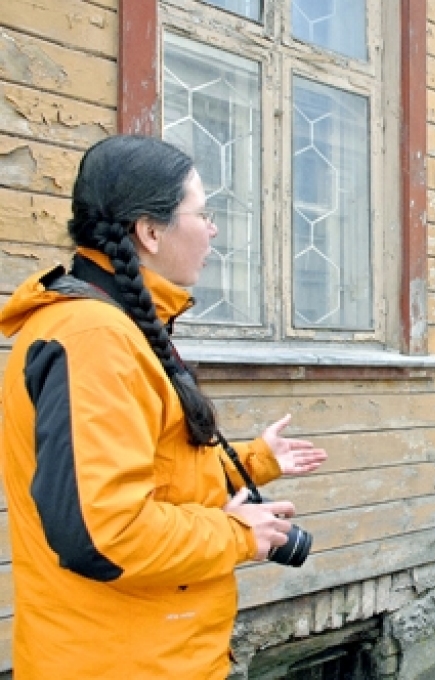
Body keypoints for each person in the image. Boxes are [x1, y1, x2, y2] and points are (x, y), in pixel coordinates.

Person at [0, 135, 327, 679]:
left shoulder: (118, 324)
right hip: (119, 661)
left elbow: (159, 472)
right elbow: (106, 535)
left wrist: (257, 458)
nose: (214, 228)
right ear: (150, 232)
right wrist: (241, 535)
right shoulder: (93, 339)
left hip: (157, 650)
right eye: (203, 213)